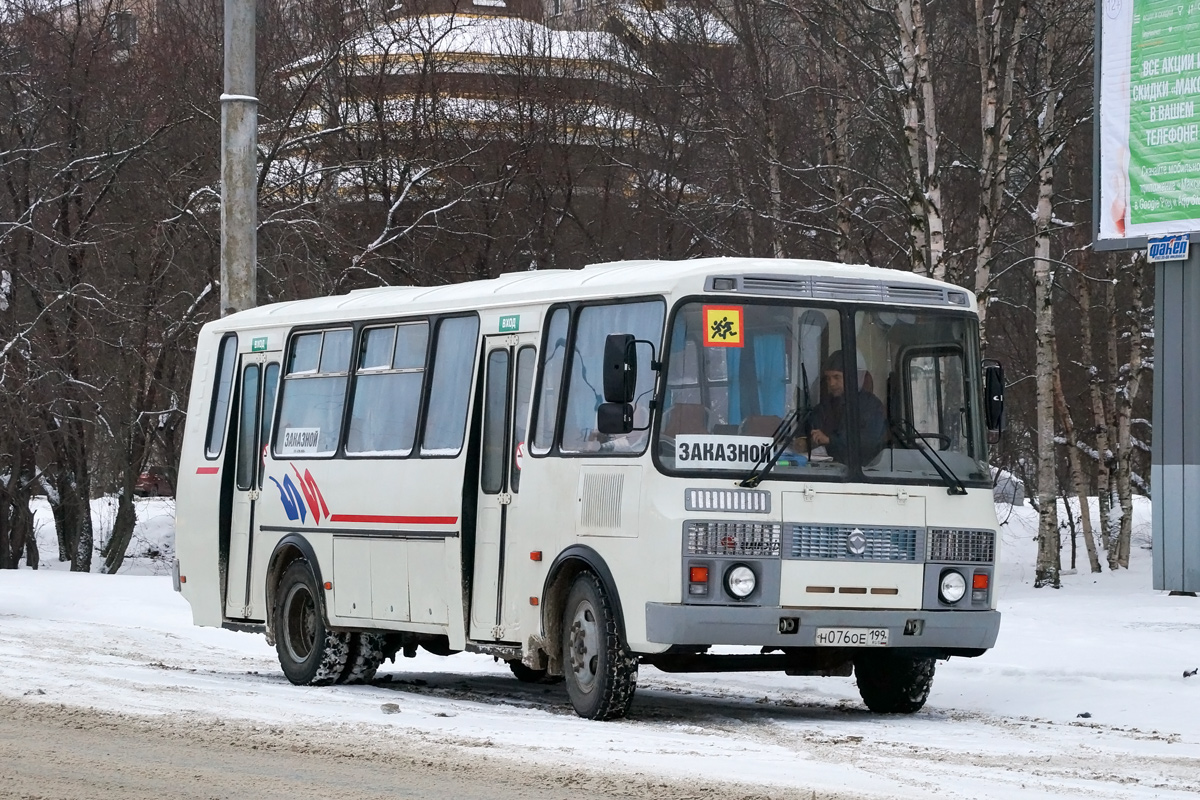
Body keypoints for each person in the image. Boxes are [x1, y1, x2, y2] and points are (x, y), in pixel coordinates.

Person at [809, 350, 886, 463]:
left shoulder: (872, 406)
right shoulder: (825, 406)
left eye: (836, 377)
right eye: (828, 378)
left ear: (854, 377)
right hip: (825, 472)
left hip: (863, 473)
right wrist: (804, 440)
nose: (831, 383)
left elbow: (869, 442)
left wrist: (831, 440)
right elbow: (811, 426)